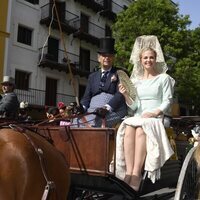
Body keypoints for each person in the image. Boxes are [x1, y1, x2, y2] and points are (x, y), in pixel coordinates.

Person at [115, 35, 175, 191]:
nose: (148, 60)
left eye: (151, 57)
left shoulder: (164, 78)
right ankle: (128, 172)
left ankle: (136, 174)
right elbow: (134, 107)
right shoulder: (136, 82)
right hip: (138, 116)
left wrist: (155, 112)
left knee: (142, 128)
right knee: (128, 127)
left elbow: (167, 100)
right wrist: (126, 95)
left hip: (157, 117)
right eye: (145, 58)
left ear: (156, 59)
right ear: (140, 60)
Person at [80, 37, 127, 127]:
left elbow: (120, 94)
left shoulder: (120, 73)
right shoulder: (92, 76)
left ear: (113, 58)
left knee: (97, 122)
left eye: (109, 55)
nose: (106, 58)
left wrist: (107, 107)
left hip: (114, 109)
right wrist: (81, 107)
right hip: (94, 110)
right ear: (99, 58)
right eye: (104, 55)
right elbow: (86, 97)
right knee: (75, 121)